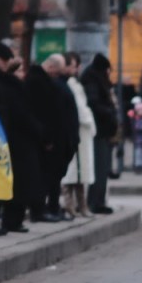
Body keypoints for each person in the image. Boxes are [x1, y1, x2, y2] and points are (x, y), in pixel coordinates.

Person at [0, 41, 43, 232]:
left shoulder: (2, 80)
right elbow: (15, 111)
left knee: (15, 182)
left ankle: (0, 220)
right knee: (10, 182)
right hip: (7, 136)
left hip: (10, 136)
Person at [26, 55, 76, 221]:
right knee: (45, 177)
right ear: (51, 67)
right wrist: (47, 138)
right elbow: (44, 113)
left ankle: (48, 208)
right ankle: (40, 210)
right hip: (45, 139)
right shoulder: (38, 82)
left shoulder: (45, 81)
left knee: (51, 176)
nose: (58, 76)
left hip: (51, 137)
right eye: (57, 72)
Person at [79, 52, 117, 212]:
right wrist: (109, 111)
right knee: (99, 167)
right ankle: (95, 202)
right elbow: (94, 103)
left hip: (103, 130)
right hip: (99, 130)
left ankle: (99, 201)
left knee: (103, 167)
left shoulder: (94, 79)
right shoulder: (93, 81)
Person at [63, 53, 95, 217]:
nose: (77, 69)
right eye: (74, 66)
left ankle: (81, 205)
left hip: (81, 132)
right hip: (76, 131)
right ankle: (70, 205)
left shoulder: (75, 84)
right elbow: (81, 110)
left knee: (80, 171)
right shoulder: (69, 85)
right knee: (72, 171)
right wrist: (89, 121)